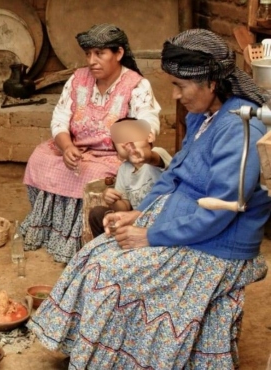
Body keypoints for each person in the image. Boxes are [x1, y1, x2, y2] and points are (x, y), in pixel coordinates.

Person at [28, 29, 270, 369]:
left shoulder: (241, 128)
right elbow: (174, 174)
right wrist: (138, 213)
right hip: (184, 222)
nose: (174, 95)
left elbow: (220, 214)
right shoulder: (205, 115)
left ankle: (124, 359)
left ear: (210, 83)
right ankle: (104, 353)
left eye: (179, 86)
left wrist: (150, 235)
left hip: (218, 244)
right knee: (93, 255)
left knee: (110, 272)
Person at [20, 24, 161, 263]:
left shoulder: (137, 85)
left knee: (92, 172)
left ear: (118, 53)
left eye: (100, 53)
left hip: (113, 154)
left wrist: (130, 145)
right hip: (77, 147)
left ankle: (78, 239)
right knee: (40, 157)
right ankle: (47, 229)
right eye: (88, 54)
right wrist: (66, 147)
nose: (92, 61)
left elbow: (149, 125)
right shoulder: (78, 79)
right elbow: (60, 119)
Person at [88, 118, 171, 237]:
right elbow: (125, 208)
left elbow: (154, 158)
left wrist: (144, 155)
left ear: (149, 137)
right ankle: (107, 247)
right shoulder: (124, 169)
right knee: (97, 214)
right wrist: (113, 200)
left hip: (161, 218)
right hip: (136, 220)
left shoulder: (157, 153)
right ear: (117, 153)